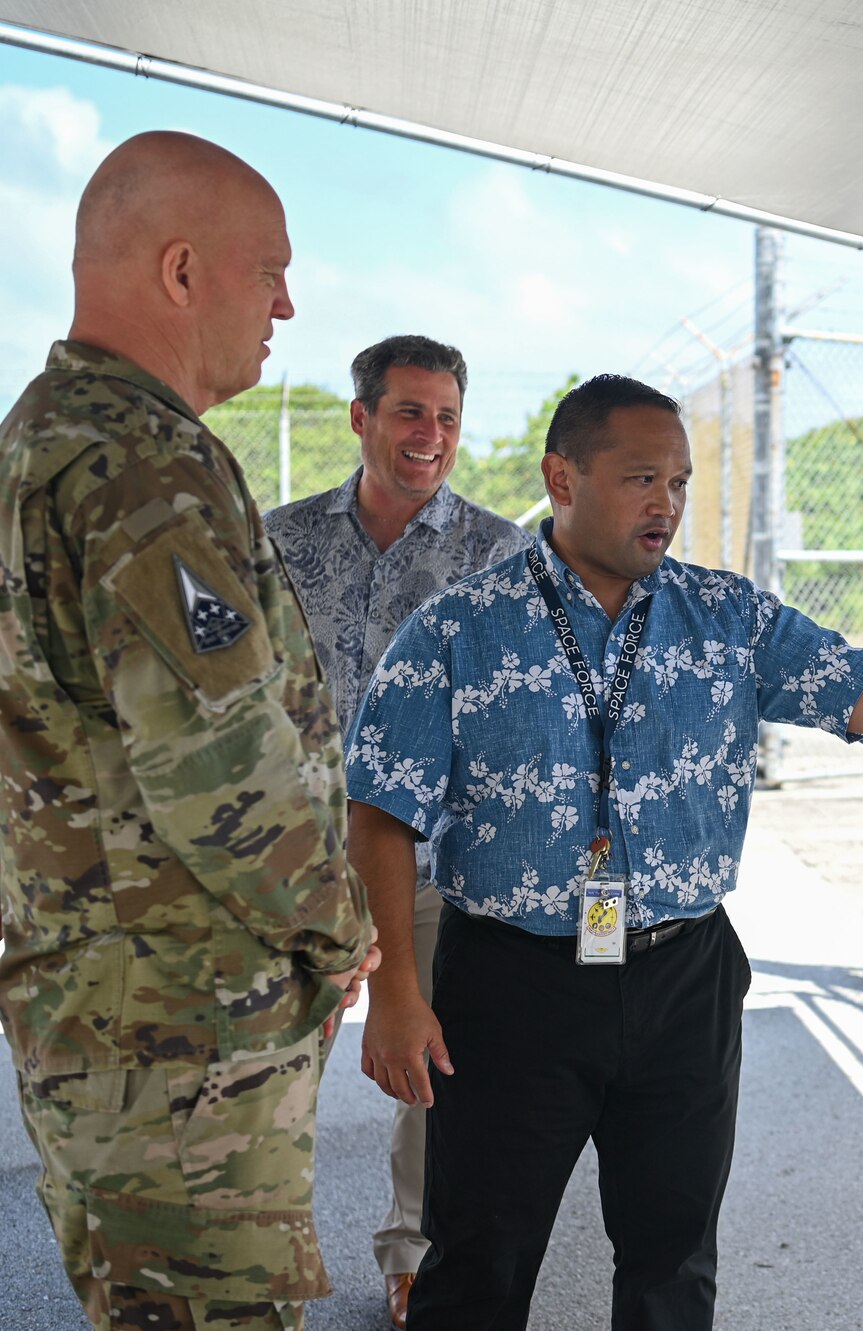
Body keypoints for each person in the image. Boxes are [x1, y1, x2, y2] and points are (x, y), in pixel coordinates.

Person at [346, 373, 863, 1330]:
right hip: (513, 987)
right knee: (478, 1262)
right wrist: (396, 989)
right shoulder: (459, 628)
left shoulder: (727, 618)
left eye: (680, 482)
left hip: (682, 979)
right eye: (642, 478)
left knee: (674, 1261)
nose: (668, 504)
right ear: (562, 477)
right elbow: (380, 811)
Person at [0, 131, 379, 1331]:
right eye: (267, 269)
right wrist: (343, 924)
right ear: (179, 272)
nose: (287, 303)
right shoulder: (137, 463)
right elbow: (224, 771)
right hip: (178, 1045)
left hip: (115, 1018)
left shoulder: (49, 435)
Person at [266, 333, 531, 1328]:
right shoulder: (277, 540)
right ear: (362, 417)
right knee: (271, 1070)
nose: (431, 435)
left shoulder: (501, 554)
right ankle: (261, 1250)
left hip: (435, 861)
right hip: (291, 861)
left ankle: (411, 1252)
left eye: (448, 417)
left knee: (431, 1064)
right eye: (411, 412)